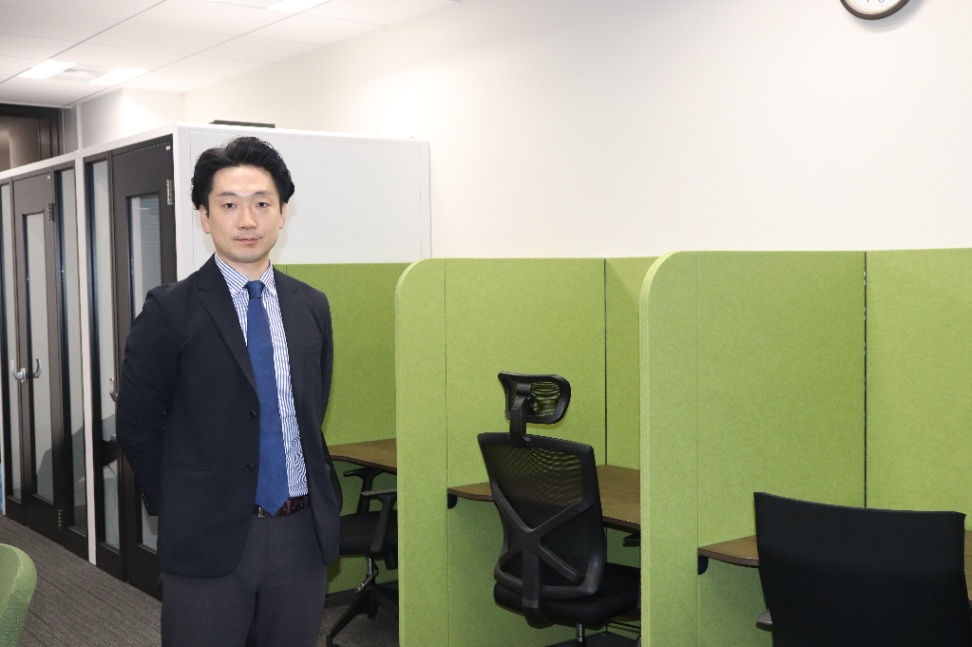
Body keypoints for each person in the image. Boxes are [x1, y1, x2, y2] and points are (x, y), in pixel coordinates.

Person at [117, 136, 340, 647]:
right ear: (204, 216)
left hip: (301, 534)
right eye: (228, 205)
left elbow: (310, 407)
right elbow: (138, 424)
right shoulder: (170, 310)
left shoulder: (311, 306)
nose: (247, 220)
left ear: (282, 214)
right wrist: (182, 506)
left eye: (262, 204)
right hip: (206, 535)